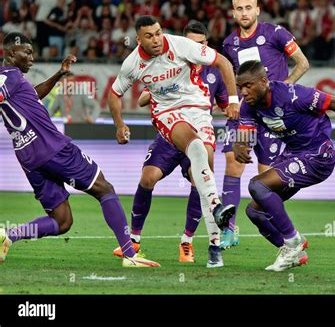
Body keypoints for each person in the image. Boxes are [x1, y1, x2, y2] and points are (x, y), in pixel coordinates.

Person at [0, 32, 159, 268]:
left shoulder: (14, 81)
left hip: (29, 158)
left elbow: (33, 95)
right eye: (28, 52)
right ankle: (129, 254)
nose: (32, 58)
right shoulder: (8, 78)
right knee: (105, 189)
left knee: (61, 221)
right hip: (52, 148)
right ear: (12, 53)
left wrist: (58, 75)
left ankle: (8, 236)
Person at [233, 60, 335, 272]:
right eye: (240, 87)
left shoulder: (294, 96)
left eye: (248, 85)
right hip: (294, 155)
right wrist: (239, 145)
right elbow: (244, 132)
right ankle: (293, 252)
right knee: (254, 212)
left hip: (318, 155)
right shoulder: (249, 105)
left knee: (257, 186)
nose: (244, 91)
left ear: (264, 82)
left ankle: (293, 242)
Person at [108, 16, 239, 256]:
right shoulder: (133, 63)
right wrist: (119, 125)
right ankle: (134, 239)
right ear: (139, 40)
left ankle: (194, 241)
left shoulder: (191, 54)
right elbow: (117, 94)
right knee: (148, 178)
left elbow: (224, 67)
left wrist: (232, 102)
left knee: (200, 174)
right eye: (149, 36)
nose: (156, 39)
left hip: (198, 115)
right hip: (169, 119)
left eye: (158, 33)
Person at [220, 0, 310, 248]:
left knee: (267, 181)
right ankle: (229, 229)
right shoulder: (229, 44)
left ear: (257, 9)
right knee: (233, 161)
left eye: (249, 8)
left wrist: (285, 90)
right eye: (240, 9)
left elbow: (302, 63)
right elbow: (231, 78)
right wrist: (232, 101)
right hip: (247, 115)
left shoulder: (276, 33)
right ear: (234, 12)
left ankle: (286, 235)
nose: (244, 13)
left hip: (272, 117)